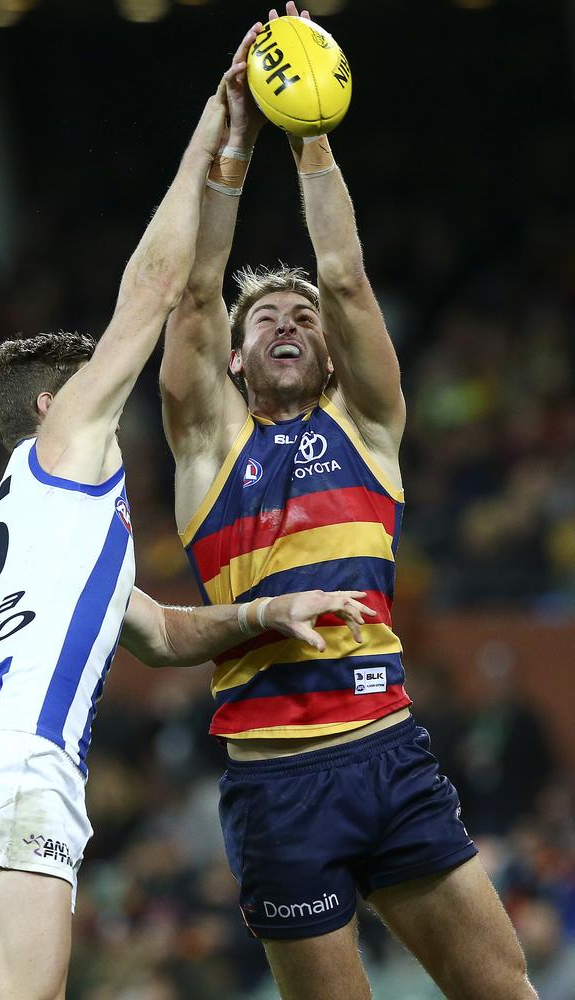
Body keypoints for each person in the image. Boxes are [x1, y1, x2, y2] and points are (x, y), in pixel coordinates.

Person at [0, 68, 371, 1000]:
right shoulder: (62, 448)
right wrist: (214, 130)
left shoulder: (52, 526)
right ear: (53, 405)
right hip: (21, 768)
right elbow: (156, 288)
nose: (114, 389)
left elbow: (161, 633)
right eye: (94, 381)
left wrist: (268, 610)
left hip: (4, 765)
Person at [159, 5, 538, 998]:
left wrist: (309, 134)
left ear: (325, 353)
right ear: (236, 358)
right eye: (264, 319)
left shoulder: (367, 428)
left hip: (387, 754)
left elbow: (346, 277)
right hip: (276, 781)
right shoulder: (206, 444)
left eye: (301, 318)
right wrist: (236, 144)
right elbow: (193, 299)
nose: (287, 319)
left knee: (504, 989)